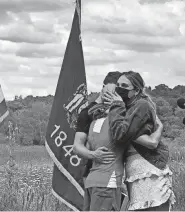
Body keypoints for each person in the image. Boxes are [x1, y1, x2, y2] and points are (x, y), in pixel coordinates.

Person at [73, 72, 163, 211]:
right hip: (103, 178)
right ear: (103, 87)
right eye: (116, 88)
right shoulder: (100, 117)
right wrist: (93, 154)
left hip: (101, 177)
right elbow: (80, 145)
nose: (118, 91)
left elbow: (146, 141)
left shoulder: (101, 117)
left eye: (122, 87)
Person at [103, 71, 176, 211]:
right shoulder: (126, 108)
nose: (119, 88)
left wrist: (116, 106)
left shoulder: (142, 105)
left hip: (149, 169)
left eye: (124, 85)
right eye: (118, 85)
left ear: (136, 90)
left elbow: (120, 133)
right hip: (134, 172)